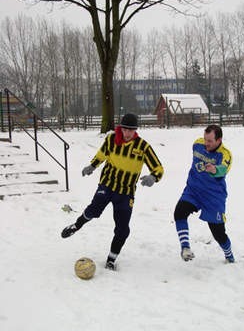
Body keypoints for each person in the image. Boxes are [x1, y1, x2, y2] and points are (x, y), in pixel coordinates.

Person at [61, 113, 164, 270]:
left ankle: (111, 259)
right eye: (125, 129)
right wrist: (92, 166)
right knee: (93, 210)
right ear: (121, 128)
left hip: (126, 192)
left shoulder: (143, 147)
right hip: (107, 185)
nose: (127, 133)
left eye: (131, 130)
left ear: (135, 130)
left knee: (123, 229)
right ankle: (76, 225)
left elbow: (158, 167)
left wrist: (153, 177)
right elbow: (101, 154)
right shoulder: (111, 139)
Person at [174, 124, 235, 263]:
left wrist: (215, 170)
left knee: (218, 233)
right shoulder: (197, 144)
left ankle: (229, 255)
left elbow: (224, 169)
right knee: (179, 213)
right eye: (205, 139)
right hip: (193, 191)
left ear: (219, 140)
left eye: (210, 141)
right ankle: (185, 248)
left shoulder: (225, 154)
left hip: (213, 196)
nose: (206, 143)